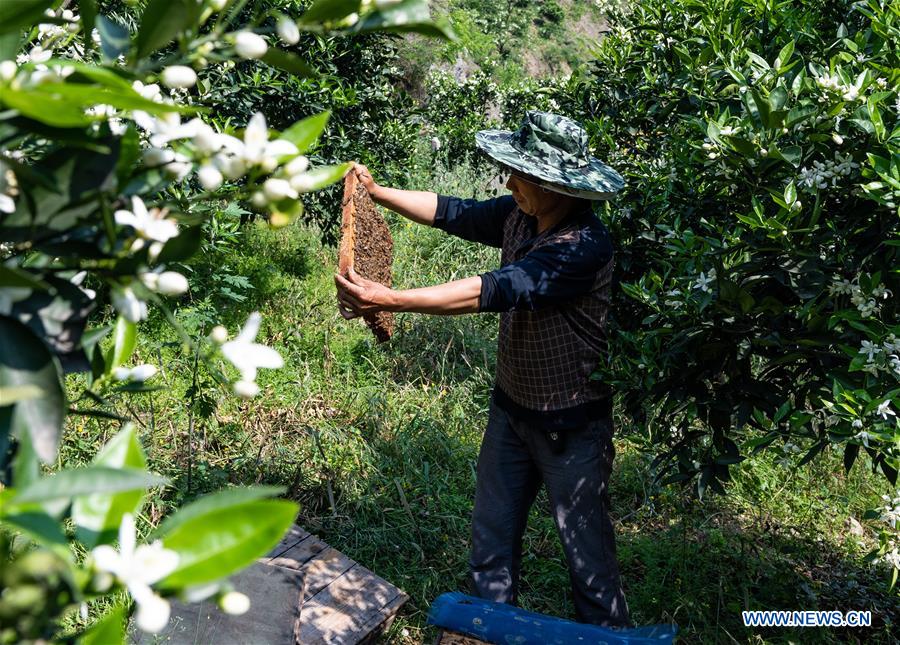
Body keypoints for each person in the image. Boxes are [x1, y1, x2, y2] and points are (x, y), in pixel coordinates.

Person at [334, 111, 632, 628]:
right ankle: (486, 634)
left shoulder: (582, 246)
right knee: (490, 548)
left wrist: (391, 299)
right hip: (511, 413)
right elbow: (455, 211)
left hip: (571, 425)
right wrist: (379, 194)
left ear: (556, 185)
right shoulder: (524, 214)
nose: (509, 181)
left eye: (521, 174)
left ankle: (609, 636)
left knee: (589, 563)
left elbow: (494, 289)